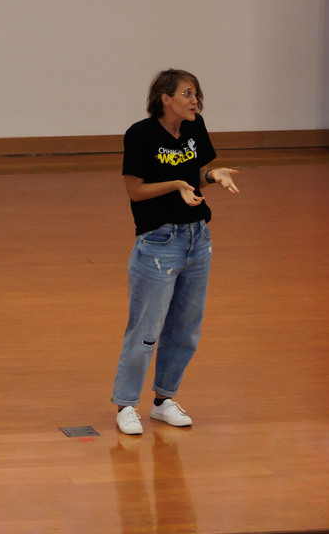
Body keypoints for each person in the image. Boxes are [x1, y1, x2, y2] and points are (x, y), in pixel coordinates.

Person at [111, 69, 238, 436]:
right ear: (165, 98)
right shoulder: (141, 134)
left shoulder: (195, 128)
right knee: (146, 330)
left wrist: (213, 176)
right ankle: (126, 404)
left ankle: (164, 400)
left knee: (185, 328)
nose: (195, 99)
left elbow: (196, 175)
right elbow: (135, 190)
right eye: (187, 93)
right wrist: (176, 184)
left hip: (198, 239)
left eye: (196, 93)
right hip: (158, 244)